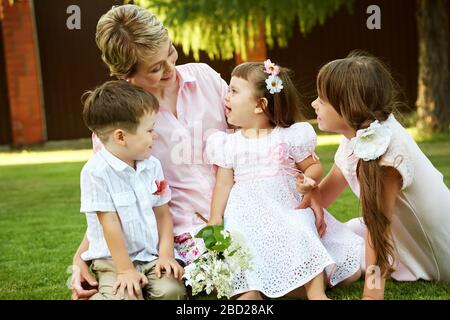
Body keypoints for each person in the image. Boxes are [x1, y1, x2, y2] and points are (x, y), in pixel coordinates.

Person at [71, 4, 229, 299]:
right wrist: (81, 257)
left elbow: (253, 137)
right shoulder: (118, 126)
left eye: (170, 52)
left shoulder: (206, 78)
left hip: (236, 211)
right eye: (156, 68)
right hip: (178, 233)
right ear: (127, 75)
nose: (171, 69)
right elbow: (110, 200)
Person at [206, 61, 363, 300]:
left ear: (260, 105)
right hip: (247, 213)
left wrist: (308, 181)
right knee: (241, 246)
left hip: (285, 206)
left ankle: (316, 291)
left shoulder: (288, 136)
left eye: (234, 91)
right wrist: (215, 218)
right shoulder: (228, 143)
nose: (226, 97)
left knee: (300, 229)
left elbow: (313, 166)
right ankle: (251, 291)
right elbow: (224, 183)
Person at [310, 52, 450, 300]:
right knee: (340, 235)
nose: (314, 104)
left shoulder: (386, 151)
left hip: (436, 254)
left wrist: (371, 295)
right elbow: (321, 197)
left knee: (347, 247)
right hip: (399, 239)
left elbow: (378, 230)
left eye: (322, 98)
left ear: (347, 105)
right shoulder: (358, 135)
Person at [79, 80, 186, 300]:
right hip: (113, 260)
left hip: (149, 256)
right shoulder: (96, 172)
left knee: (173, 292)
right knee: (127, 296)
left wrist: (166, 254)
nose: (154, 136)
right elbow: (109, 224)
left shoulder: (152, 165)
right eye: (149, 130)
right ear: (121, 137)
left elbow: (163, 214)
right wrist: (125, 270)